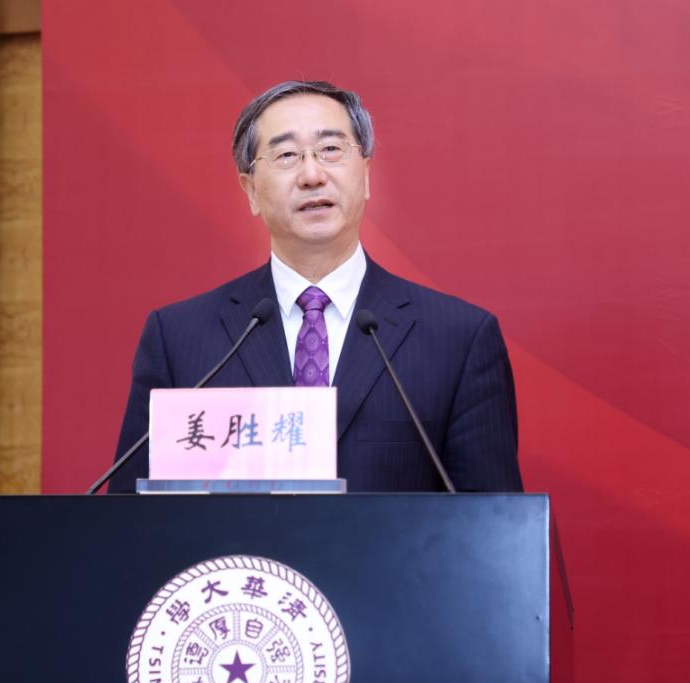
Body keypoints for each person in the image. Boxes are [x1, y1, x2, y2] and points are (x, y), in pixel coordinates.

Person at [110, 80, 522, 493]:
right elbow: (131, 517)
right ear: (250, 189)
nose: (312, 175)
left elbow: (492, 519)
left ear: (365, 174)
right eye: (287, 155)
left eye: (331, 149)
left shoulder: (458, 340)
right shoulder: (179, 339)